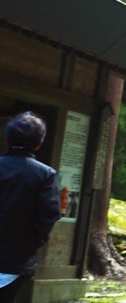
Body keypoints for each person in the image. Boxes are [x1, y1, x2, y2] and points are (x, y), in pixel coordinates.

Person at [0, 112, 62, 303]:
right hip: (15, 258)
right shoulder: (45, 175)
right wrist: (33, 242)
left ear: (7, 139)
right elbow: (49, 215)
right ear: (38, 144)